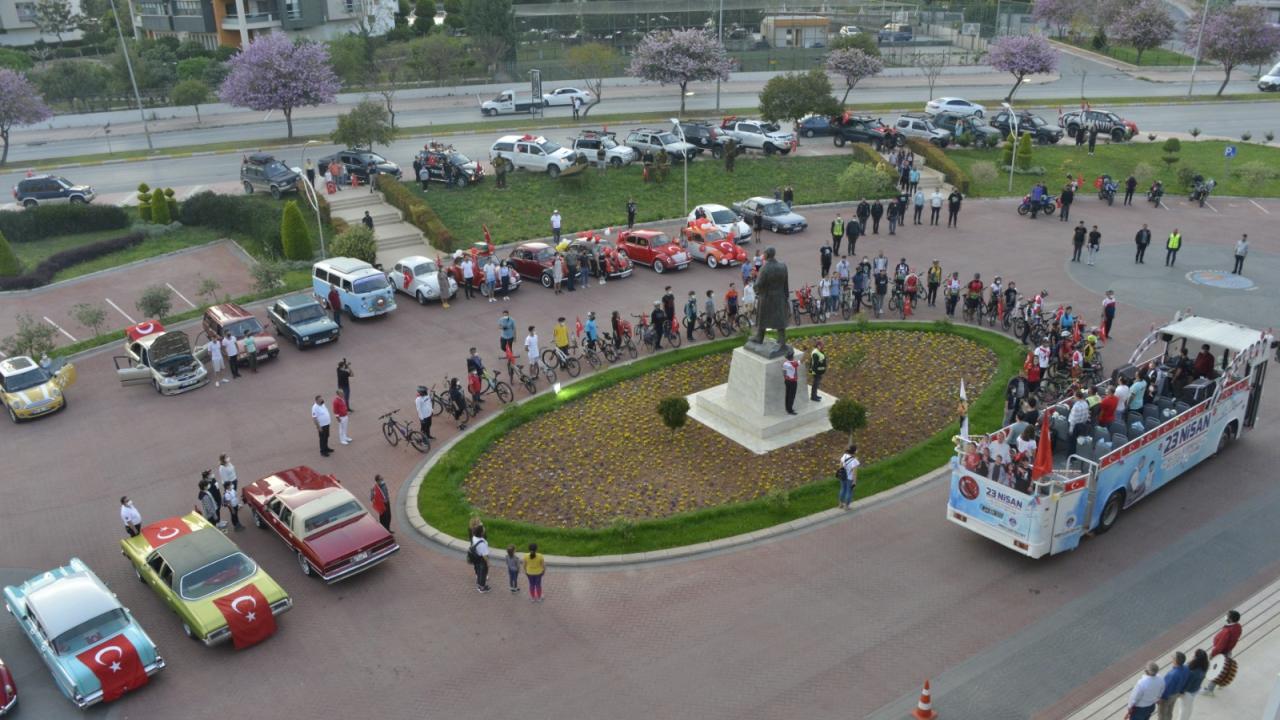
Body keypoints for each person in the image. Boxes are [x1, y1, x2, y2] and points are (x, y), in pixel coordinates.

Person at [1201, 610, 1243, 696]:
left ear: (1230, 619)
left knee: (1215, 670)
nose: (1226, 616)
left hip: (1221, 652)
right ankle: (1220, 683)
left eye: (1227, 615)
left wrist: (1213, 653)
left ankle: (1209, 690)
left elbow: (1221, 645)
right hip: (1228, 651)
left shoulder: (1227, 631)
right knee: (1223, 669)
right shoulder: (1238, 627)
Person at [1157, 652, 1190, 720]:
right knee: (1170, 711)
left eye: (1173, 657)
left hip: (1167, 697)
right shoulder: (1186, 669)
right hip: (1176, 694)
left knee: (1162, 714)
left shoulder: (1171, 675)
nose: (1171, 657)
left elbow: (1166, 689)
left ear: (1175, 660)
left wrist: (1161, 698)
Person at [1180, 649, 1209, 718]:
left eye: (1194, 655)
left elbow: (1187, 684)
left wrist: (1181, 692)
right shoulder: (1204, 667)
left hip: (1187, 692)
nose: (1192, 655)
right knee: (1188, 707)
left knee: (1183, 709)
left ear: (1196, 658)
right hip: (1195, 690)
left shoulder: (1191, 670)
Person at [469, 525, 491, 593]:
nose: (484, 529)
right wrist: (488, 563)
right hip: (482, 559)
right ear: (481, 533)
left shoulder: (474, 537)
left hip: (476, 557)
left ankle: (479, 583)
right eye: (483, 529)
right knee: (483, 573)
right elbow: (484, 555)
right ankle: (482, 587)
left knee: (478, 571)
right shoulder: (482, 544)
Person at [837, 444, 859, 510]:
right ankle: (846, 506)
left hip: (843, 476)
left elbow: (840, 465)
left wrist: (841, 473)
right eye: (856, 449)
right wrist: (854, 481)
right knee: (849, 491)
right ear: (854, 451)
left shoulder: (844, 456)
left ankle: (840, 504)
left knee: (842, 489)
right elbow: (854, 473)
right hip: (850, 478)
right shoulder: (854, 461)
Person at [782, 349, 799, 415]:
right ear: (792, 357)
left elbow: (784, 372)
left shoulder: (785, 363)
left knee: (788, 394)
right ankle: (790, 410)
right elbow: (802, 360)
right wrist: (805, 351)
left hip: (787, 380)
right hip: (793, 381)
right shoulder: (793, 364)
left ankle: (787, 408)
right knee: (792, 395)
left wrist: (786, 378)